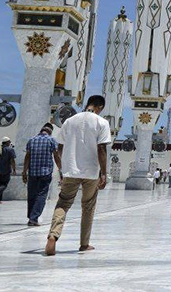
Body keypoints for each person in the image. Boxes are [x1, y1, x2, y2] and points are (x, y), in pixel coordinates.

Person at [45, 95, 112, 255]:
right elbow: (102, 149)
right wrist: (104, 173)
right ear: (100, 107)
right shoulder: (102, 123)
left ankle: (53, 236)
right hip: (91, 172)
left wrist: (62, 167)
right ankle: (84, 244)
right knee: (88, 207)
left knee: (63, 203)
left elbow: (60, 147)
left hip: (71, 170)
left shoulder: (70, 121)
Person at [22, 123, 59, 226]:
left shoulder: (32, 140)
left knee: (32, 195)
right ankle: (33, 218)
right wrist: (61, 169)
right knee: (41, 195)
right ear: (50, 132)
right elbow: (56, 156)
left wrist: (24, 172)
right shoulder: (51, 140)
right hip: (45, 172)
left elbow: (27, 157)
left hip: (32, 172)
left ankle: (31, 216)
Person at [0, 137, 16, 203]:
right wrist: (14, 169)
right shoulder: (10, 150)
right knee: (4, 184)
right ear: (7, 142)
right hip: (5, 170)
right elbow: (12, 161)